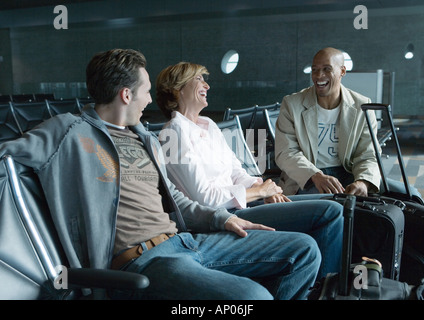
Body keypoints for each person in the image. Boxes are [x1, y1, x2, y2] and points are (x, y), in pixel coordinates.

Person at [0, 48, 321, 300]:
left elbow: (176, 199)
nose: (151, 99)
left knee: (304, 250)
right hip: (142, 261)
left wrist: (220, 218)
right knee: (253, 297)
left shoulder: (146, 139)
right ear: (126, 95)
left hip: (186, 241)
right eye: (145, 90)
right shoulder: (67, 132)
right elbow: (6, 152)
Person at [155, 61, 344, 280]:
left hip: (241, 204)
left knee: (336, 205)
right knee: (327, 213)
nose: (206, 86)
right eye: (199, 80)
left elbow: (236, 171)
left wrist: (264, 188)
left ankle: (318, 284)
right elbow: (205, 199)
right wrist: (260, 192)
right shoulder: (172, 135)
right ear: (177, 89)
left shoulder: (207, 124)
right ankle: (323, 289)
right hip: (222, 218)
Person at [274, 47, 422, 199]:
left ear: (342, 71)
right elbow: (285, 152)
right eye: (315, 69)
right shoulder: (292, 104)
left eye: (327, 69)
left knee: (411, 195)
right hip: (308, 176)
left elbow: (368, 153)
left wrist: (363, 181)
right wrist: (316, 175)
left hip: (348, 173)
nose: (319, 75)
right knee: (332, 205)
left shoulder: (362, 106)